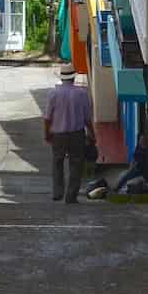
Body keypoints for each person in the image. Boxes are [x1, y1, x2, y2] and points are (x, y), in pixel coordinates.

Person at [43, 65, 95, 203]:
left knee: (57, 162)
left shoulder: (53, 94)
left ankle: (57, 192)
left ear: (61, 77)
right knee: (76, 165)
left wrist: (47, 133)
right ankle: (71, 196)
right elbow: (87, 119)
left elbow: (48, 118)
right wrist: (92, 134)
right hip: (77, 134)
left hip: (58, 135)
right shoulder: (82, 93)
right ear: (73, 77)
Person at [113, 115, 148, 194]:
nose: (141, 141)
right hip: (137, 167)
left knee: (126, 177)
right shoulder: (139, 148)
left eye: (143, 140)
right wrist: (132, 165)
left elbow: (140, 163)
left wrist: (134, 166)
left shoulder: (144, 151)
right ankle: (116, 189)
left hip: (139, 169)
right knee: (125, 176)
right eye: (141, 140)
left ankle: (116, 189)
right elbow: (135, 157)